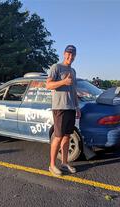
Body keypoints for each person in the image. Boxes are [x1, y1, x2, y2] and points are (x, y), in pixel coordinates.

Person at [46, 45, 81, 176]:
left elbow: (74, 91)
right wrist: (63, 82)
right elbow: (48, 85)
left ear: (75, 56)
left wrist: (77, 107)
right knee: (58, 137)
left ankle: (64, 163)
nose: (70, 57)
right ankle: (52, 165)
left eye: (73, 55)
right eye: (68, 54)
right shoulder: (56, 67)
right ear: (64, 53)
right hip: (60, 107)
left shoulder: (73, 71)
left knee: (67, 137)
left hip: (71, 108)